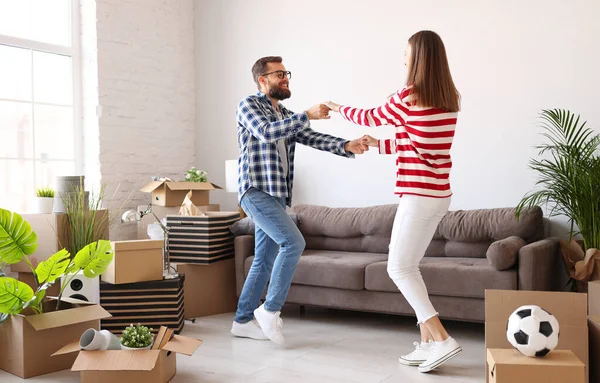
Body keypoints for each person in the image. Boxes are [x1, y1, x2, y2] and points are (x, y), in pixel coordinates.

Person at [325, 30, 461, 372]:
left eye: (406, 53)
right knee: (409, 267)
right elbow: (421, 145)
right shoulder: (447, 96)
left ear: (418, 58)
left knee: (398, 268)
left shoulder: (409, 95)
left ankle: (442, 338)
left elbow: (369, 115)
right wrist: (378, 145)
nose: (403, 58)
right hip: (438, 194)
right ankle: (428, 344)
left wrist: (335, 106)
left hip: (418, 195)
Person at [231, 56, 368, 345]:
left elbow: (310, 137)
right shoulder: (248, 105)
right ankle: (269, 310)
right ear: (262, 80)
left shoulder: (285, 114)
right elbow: (266, 133)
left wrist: (346, 145)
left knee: (264, 259)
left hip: (277, 193)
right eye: (278, 74)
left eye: (286, 73)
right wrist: (306, 113)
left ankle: (242, 321)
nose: (285, 78)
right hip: (255, 190)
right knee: (293, 243)